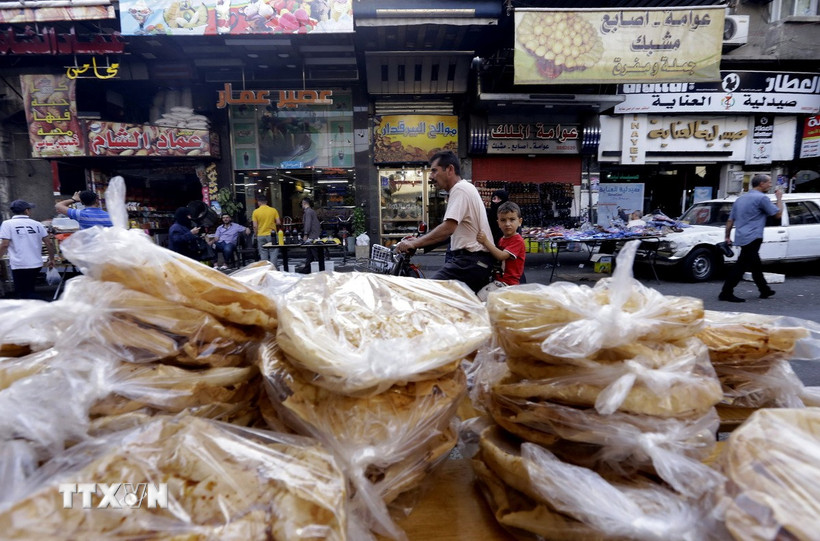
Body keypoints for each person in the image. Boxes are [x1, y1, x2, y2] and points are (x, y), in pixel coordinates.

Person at [396, 150, 494, 293]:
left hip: (470, 262)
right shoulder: (463, 189)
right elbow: (449, 234)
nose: (431, 176)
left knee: (429, 294)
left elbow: (448, 228)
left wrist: (414, 243)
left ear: (450, 169)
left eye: (434, 171)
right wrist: (419, 242)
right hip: (471, 262)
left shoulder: (460, 189)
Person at [719, 174, 783, 303]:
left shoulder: (740, 199)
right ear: (761, 184)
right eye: (769, 182)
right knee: (741, 265)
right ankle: (726, 292)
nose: (770, 185)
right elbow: (777, 214)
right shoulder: (762, 198)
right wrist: (779, 198)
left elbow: (730, 220)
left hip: (742, 236)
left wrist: (727, 236)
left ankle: (764, 289)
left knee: (755, 264)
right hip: (753, 236)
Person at [0, 200, 55, 299]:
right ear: (26, 211)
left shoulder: (7, 224)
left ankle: (45, 304)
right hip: (36, 263)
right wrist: (52, 259)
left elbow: (4, 245)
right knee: (29, 289)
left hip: (19, 264)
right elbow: (49, 242)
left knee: (23, 293)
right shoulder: (37, 224)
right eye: (30, 209)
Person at [477, 201, 526, 286]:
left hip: (510, 284)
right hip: (499, 281)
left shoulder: (518, 240)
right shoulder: (502, 239)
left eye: (512, 219)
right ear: (498, 223)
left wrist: (485, 241)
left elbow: (501, 256)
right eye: (503, 220)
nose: (507, 224)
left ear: (520, 222)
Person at [251, 195, 281, 268]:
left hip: (261, 235)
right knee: (273, 252)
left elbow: (255, 226)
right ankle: (273, 269)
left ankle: (265, 270)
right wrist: (271, 223)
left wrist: (255, 235)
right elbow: (278, 222)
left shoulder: (255, 212)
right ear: (266, 202)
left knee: (263, 253)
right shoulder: (273, 210)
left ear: (259, 202)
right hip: (272, 235)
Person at [298, 197, 323, 273]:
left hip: (312, 235)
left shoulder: (308, 212)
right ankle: (307, 269)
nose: (302, 205)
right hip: (314, 233)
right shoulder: (311, 211)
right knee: (310, 252)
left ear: (304, 203)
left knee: (314, 252)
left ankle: (321, 268)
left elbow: (308, 224)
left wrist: (305, 234)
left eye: (302, 203)